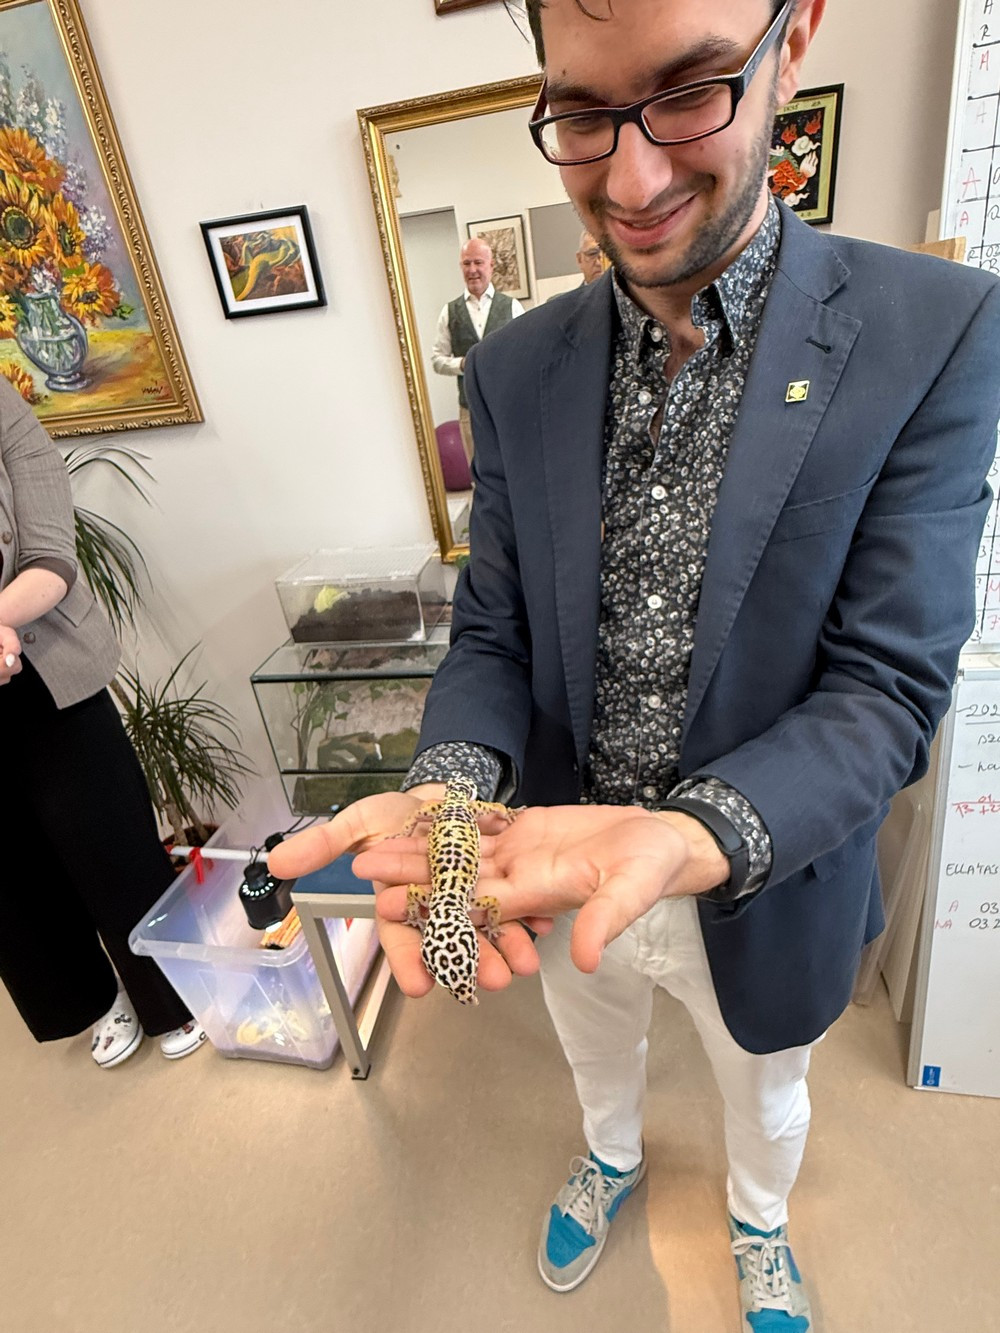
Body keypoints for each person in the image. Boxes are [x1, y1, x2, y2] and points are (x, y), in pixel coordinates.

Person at [271, 0, 1000, 1326]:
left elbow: (886, 688)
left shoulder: (930, 332)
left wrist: (686, 835)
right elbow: (495, 627)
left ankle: (758, 1220)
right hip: (556, 863)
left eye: (691, 90)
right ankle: (611, 1155)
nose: (634, 174)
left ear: (793, 38)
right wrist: (449, 813)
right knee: (592, 1054)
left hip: (763, 875)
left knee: (766, 1097)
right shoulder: (512, 370)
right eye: (584, 113)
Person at [0, 379, 206, 1069]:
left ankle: (168, 993)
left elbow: (51, 553)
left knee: (109, 840)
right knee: (14, 875)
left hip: (47, 660)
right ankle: (95, 999)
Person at [430, 237, 525, 464]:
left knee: (516, 465)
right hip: (469, 410)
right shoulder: (449, 312)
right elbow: (437, 360)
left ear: (491, 266)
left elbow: (526, 355)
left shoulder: (512, 307)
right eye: (466, 263)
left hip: (508, 406)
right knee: (479, 471)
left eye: (478, 263)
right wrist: (462, 364)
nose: (472, 270)